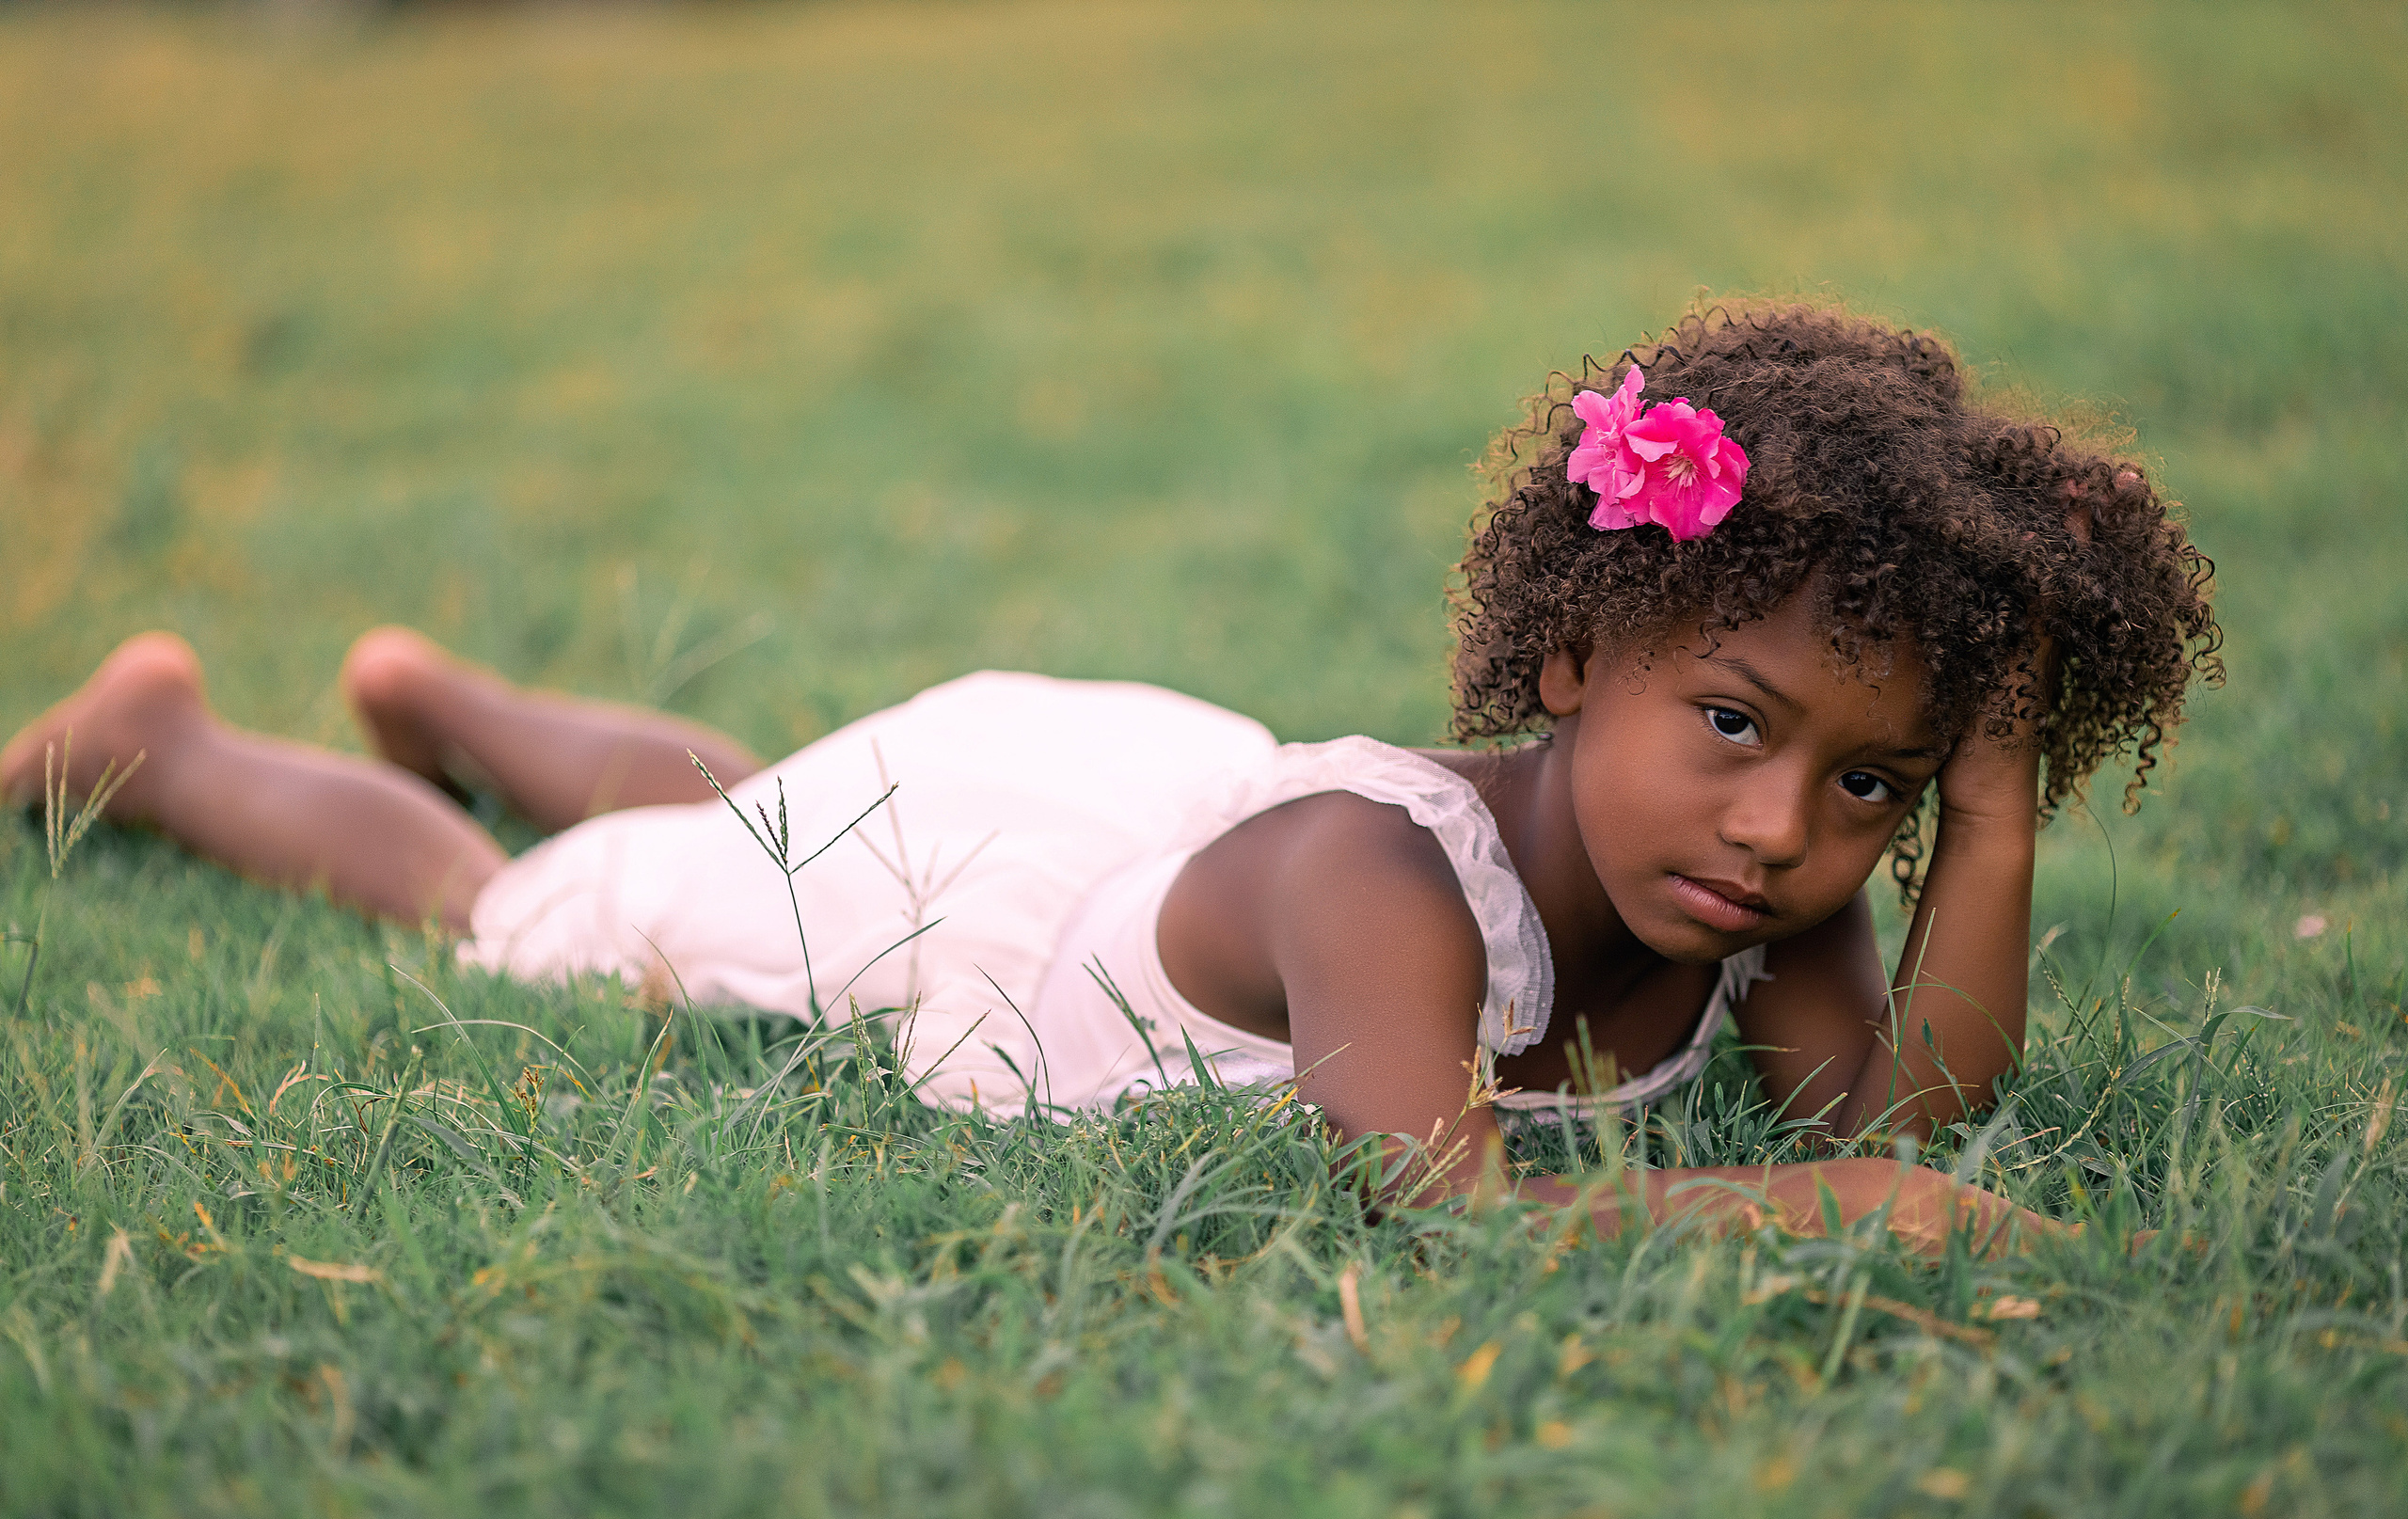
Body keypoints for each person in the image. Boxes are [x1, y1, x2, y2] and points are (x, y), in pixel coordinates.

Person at [3, 302, 2218, 1251]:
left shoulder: (1759, 875)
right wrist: (1810, 1208)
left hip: (1115, 822)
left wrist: (1992, 807)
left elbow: (1900, 1110)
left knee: (774, 785)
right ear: (1567, 646)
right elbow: (1442, 1212)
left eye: (1874, 784)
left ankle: (464, 703)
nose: (1785, 825)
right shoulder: (1381, 887)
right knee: (572, 905)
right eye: (1734, 723)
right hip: (993, 928)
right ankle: (178, 744)